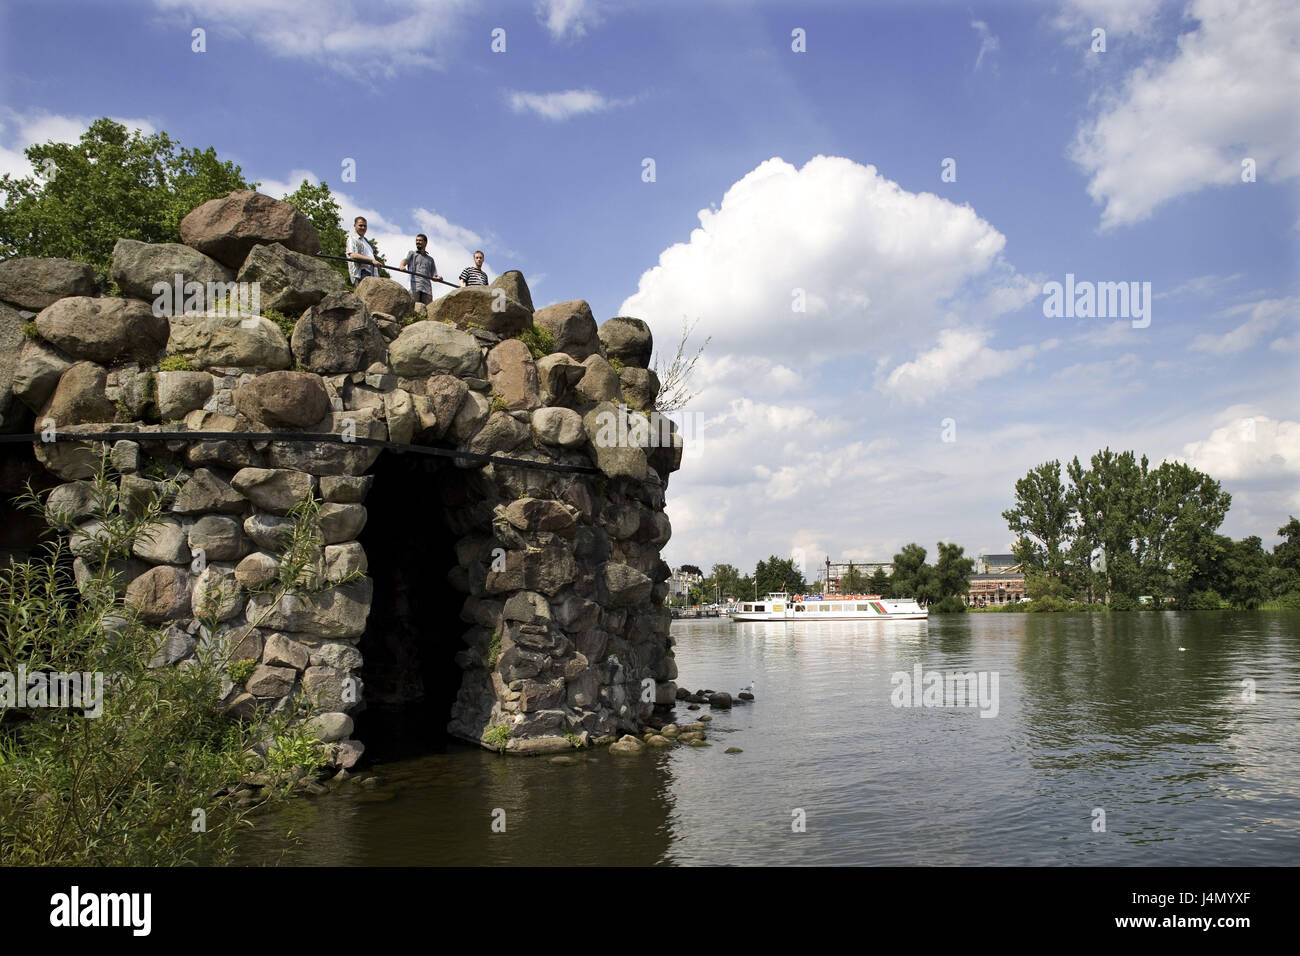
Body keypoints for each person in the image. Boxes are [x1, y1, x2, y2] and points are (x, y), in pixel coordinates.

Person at [399, 234, 441, 304]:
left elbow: (433, 276)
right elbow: (405, 260)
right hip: (415, 287)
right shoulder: (412, 254)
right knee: (413, 308)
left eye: (420, 240)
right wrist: (402, 265)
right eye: (417, 240)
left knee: (427, 310)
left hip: (427, 289)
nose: (418, 242)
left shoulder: (430, 259)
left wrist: (438, 278)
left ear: (425, 242)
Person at [346, 217, 379, 285]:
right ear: (355, 226)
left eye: (365, 226)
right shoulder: (352, 238)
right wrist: (371, 260)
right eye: (360, 225)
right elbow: (352, 255)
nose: (363, 228)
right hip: (361, 273)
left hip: (371, 273)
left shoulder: (366, 241)